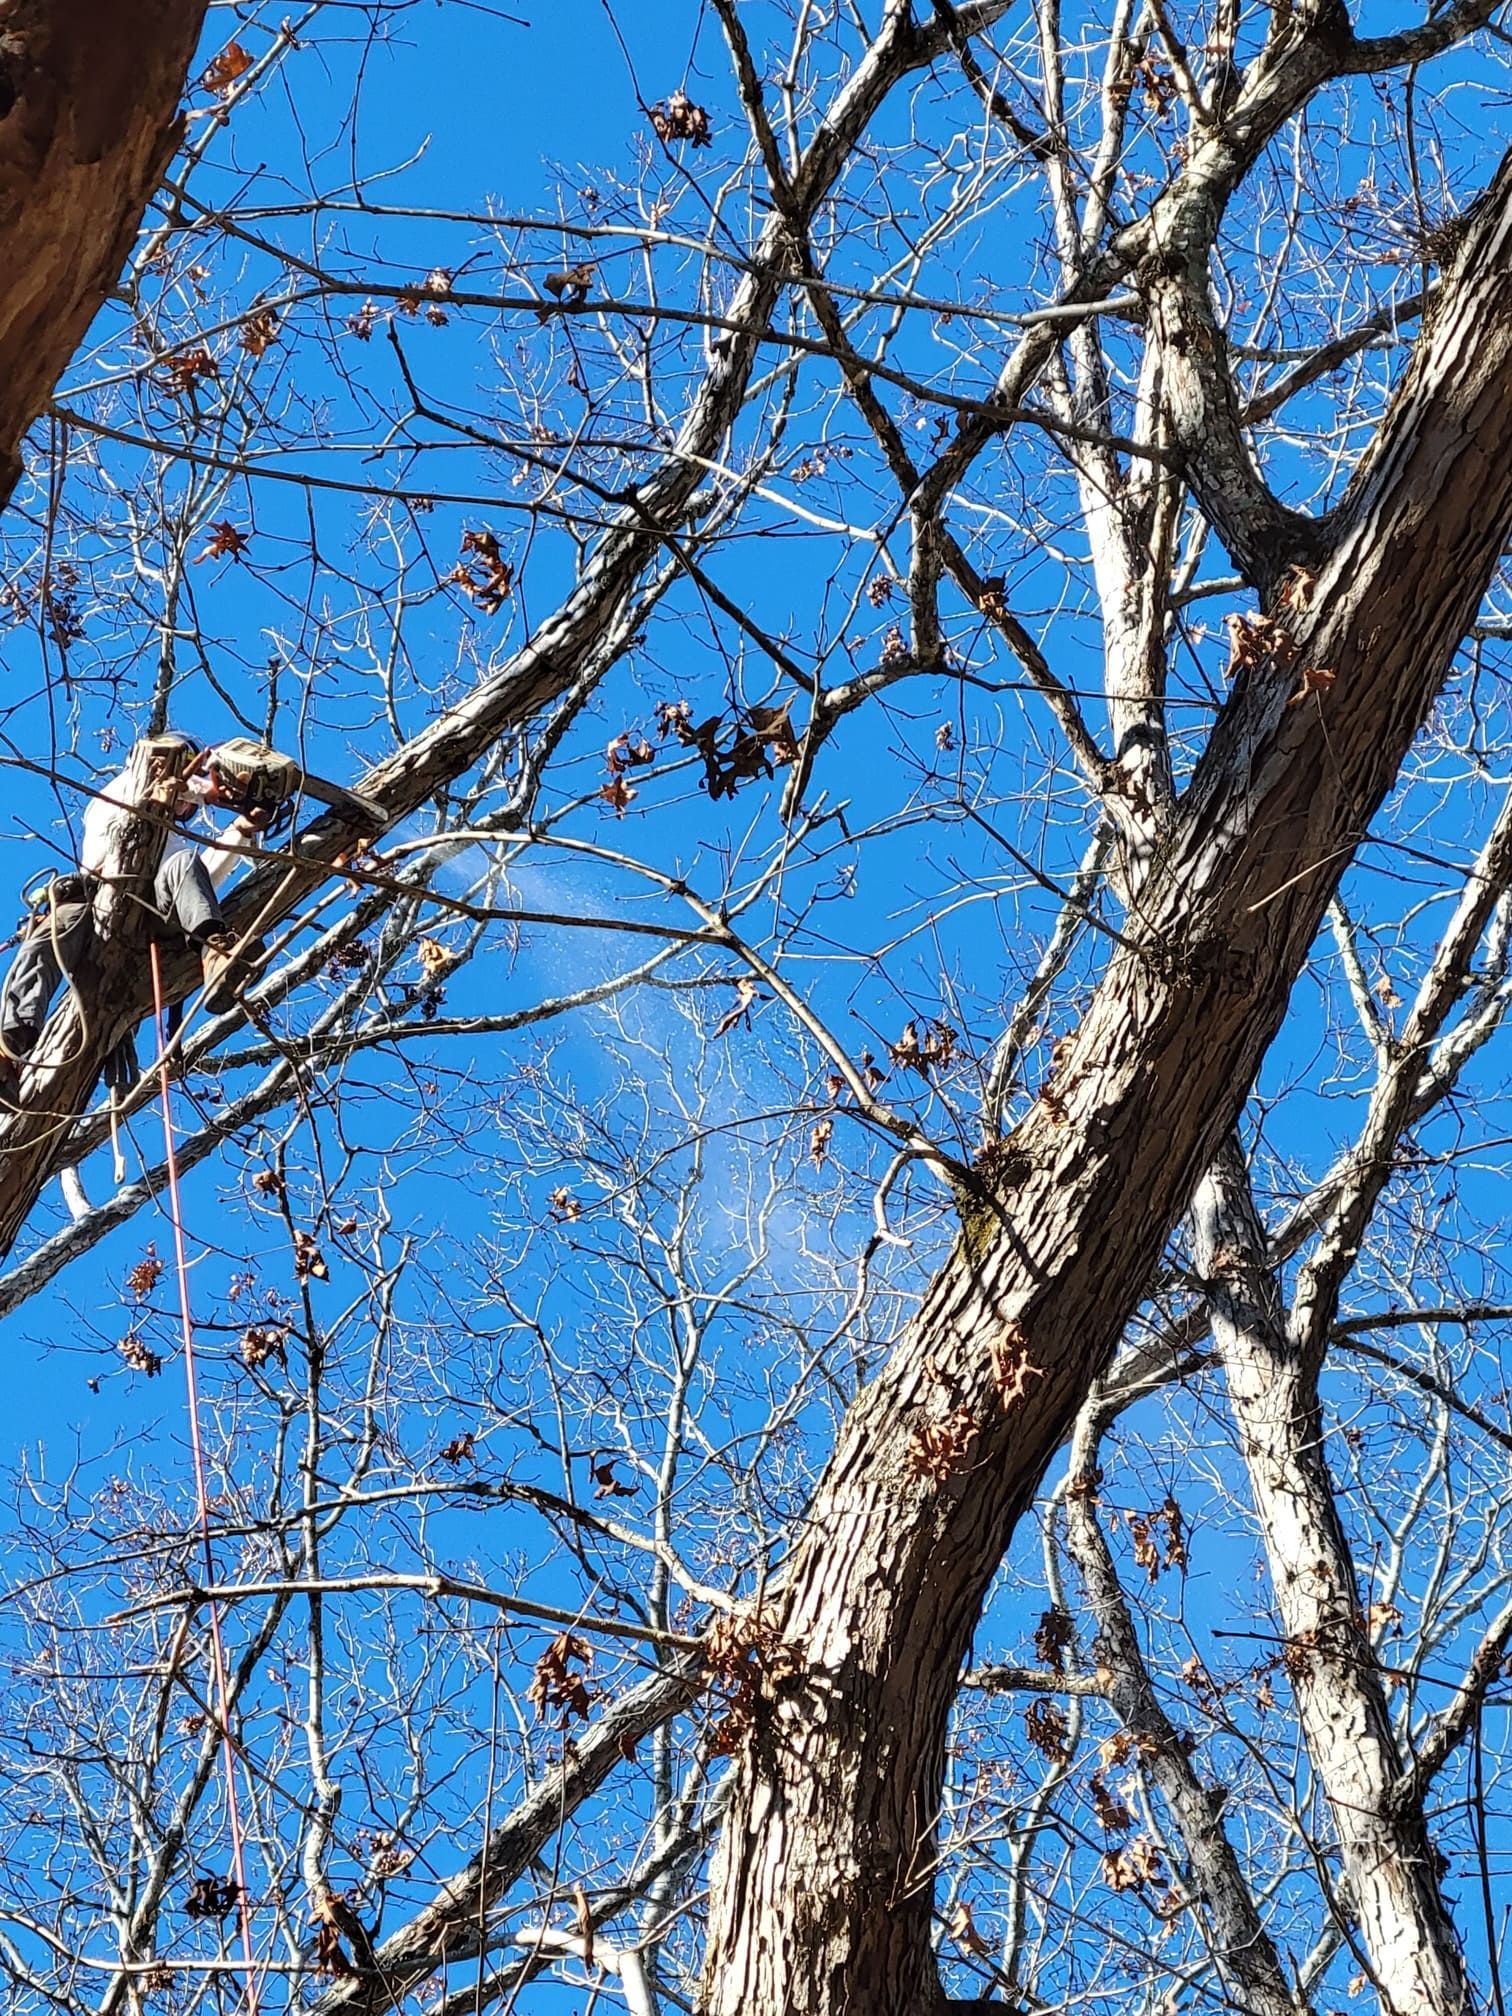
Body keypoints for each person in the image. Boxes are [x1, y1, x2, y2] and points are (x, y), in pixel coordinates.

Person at [0, 732, 267, 1061]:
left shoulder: (171, 840)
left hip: (151, 917)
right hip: (95, 903)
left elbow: (198, 881)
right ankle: (13, 1044)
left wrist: (239, 831)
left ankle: (215, 952)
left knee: (185, 863)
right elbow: (154, 782)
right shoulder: (120, 791)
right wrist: (210, 789)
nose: (184, 805)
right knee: (50, 937)